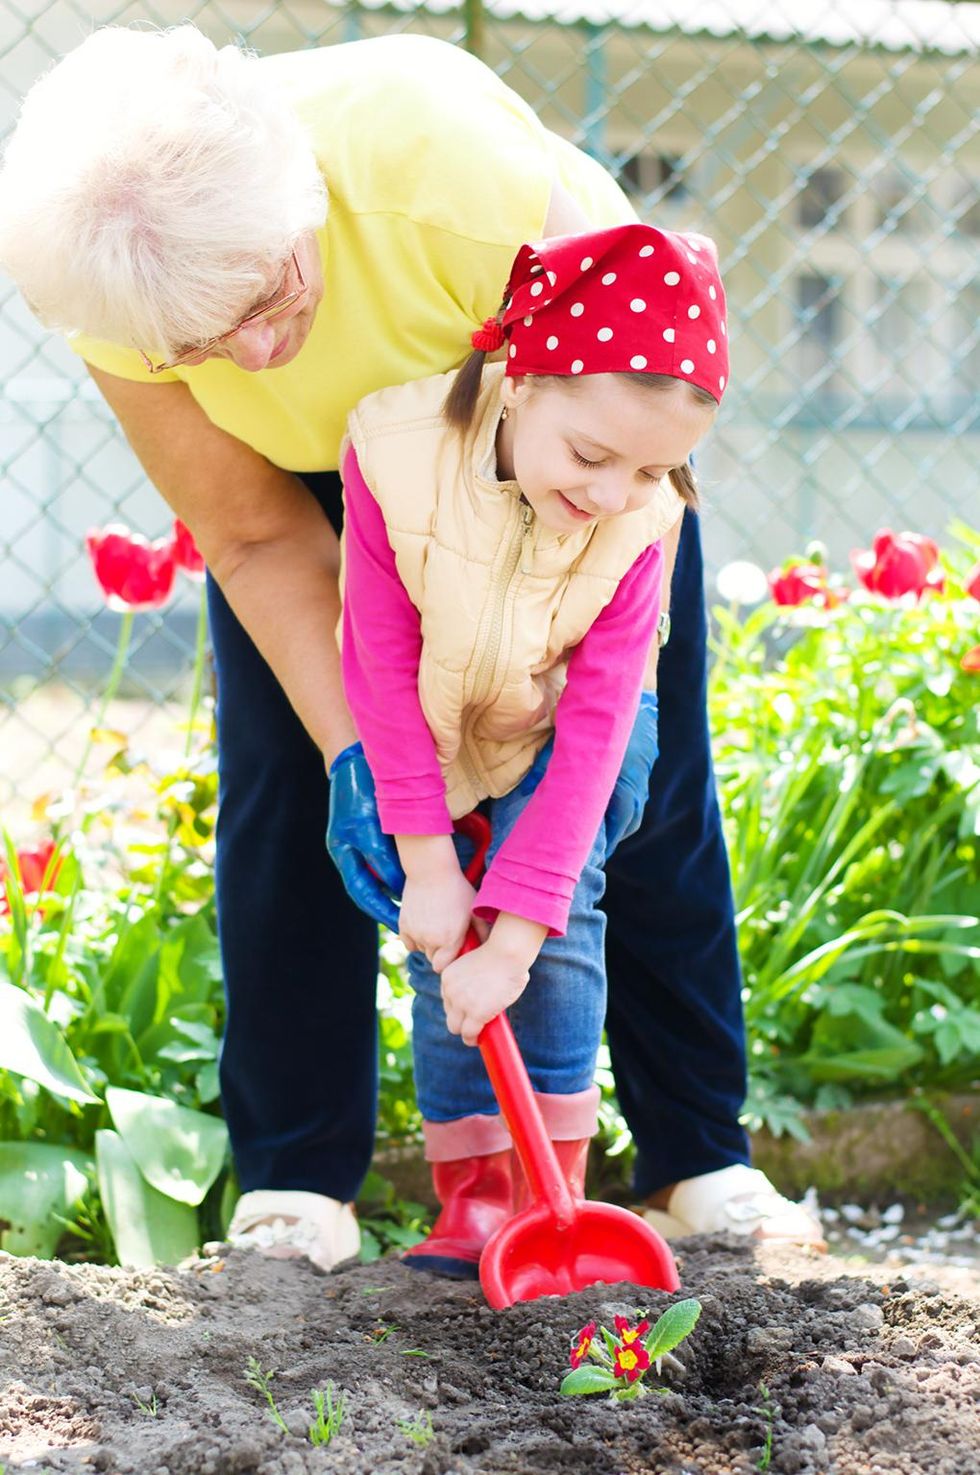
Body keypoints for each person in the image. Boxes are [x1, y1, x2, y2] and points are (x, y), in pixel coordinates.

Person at [0, 24, 823, 1271]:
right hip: (323, 485)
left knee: (637, 777)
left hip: (554, 439)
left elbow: (618, 410)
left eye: (271, 300)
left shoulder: (441, 167)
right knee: (285, 787)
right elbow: (256, 538)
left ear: (302, 203)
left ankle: (699, 1151)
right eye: (208, 345)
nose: (264, 354)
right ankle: (297, 1183)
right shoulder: (116, 283)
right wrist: (365, 758)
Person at [338, 222, 724, 1277]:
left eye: (652, 467)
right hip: (435, 725)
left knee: (545, 934)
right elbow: (375, 656)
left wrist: (514, 931)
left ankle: (556, 1193)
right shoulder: (392, 451)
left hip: (574, 740)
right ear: (519, 379)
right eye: (591, 455)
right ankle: (476, 1202)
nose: (610, 492)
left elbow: (600, 716)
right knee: (446, 946)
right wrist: (424, 860)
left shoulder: (642, 518)